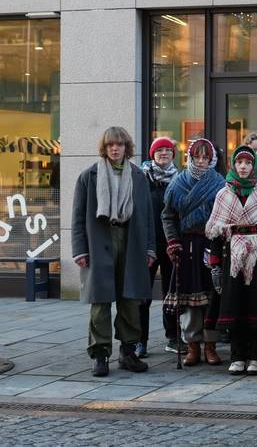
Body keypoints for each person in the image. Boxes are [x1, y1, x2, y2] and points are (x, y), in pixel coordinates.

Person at [71, 126, 155, 377]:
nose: (115, 149)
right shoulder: (89, 176)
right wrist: (79, 250)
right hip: (100, 241)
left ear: (126, 147)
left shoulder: (139, 177)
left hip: (131, 240)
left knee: (130, 300)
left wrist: (150, 248)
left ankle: (128, 352)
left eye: (119, 144)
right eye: (110, 145)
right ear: (105, 148)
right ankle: (100, 355)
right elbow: (77, 217)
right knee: (100, 302)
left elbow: (148, 217)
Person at [206, 146, 257, 375]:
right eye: (239, 162)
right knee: (235, 305)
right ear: (233, 164)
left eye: (248, 163)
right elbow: (215, 232)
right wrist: (215, 266)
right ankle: (237, 355)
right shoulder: (223, 194)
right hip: (232, 260)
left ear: (255, 166)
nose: (243, 166)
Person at [162, 138, 225, 366]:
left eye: (205, 157)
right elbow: (168, 216)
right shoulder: (177, 184)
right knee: (189, 299)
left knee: (212, 297)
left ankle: (210, 345)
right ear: (189, 157)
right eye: (196, 156)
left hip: (211, 243)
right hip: (186, 246)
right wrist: (172, 241)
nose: (200, 161)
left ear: (212, 159)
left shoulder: (220, 184)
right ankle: (192, 345)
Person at [138, 137, 178, 357]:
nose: (164, 153)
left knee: (172, 293)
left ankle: (173, 337)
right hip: (147, 244)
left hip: (171, 243)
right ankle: (140, 340)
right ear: (152, 154)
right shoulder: (142, 177)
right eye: (159, 150)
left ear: (173, 154)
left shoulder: (179, 179)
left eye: (168, 150)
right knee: (142, 295)